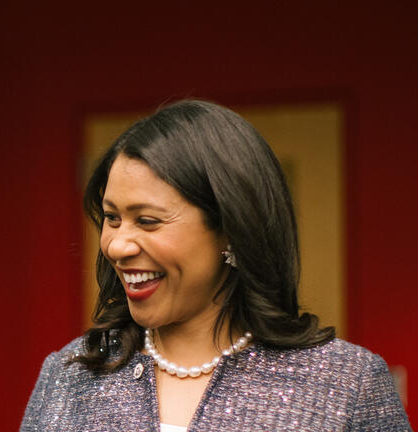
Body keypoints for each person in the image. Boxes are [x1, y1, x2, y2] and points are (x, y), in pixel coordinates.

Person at [20, 100, 411, 431]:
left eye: (148, 220)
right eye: (112, 217)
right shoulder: (69, 376)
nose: (117, 246)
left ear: (230, 227)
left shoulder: (346, 384)